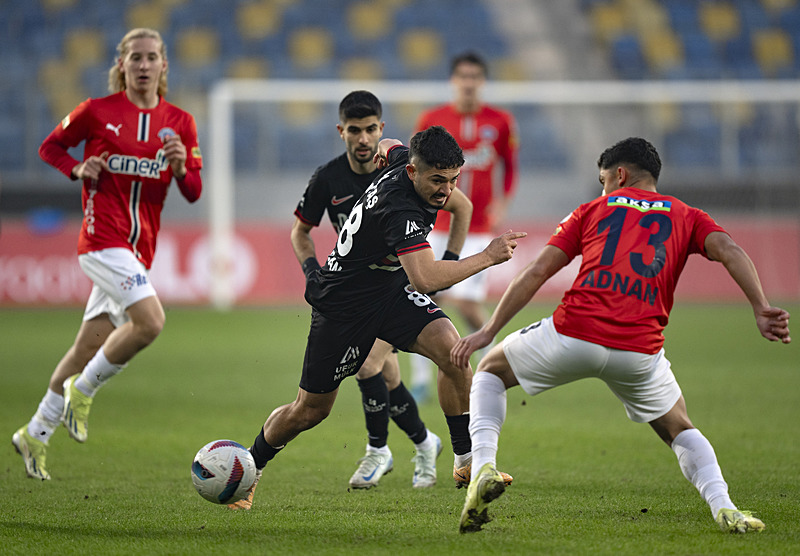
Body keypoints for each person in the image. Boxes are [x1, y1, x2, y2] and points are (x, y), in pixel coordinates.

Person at [452, 137, 791, 534]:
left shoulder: (593, 209)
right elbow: (730, 250)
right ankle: (725, 508)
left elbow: (537, 272)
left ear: (619, 174)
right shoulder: (687, 216)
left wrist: (489, 330)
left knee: (491, 370)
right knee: (679, 426)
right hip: (639, 351)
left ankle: (484, 467)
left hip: (575, 333)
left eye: (603, 180)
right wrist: (759, 306)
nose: (602, 189)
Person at [231, 126, 525, 510]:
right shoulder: (399, 208)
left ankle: (466, 461)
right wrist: (486, 256)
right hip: (344, 307)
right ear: (413, 173)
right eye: (437, 180)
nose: (446, 191)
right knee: (311, 409)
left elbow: (391, 145)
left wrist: (387, 150)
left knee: (452, 350)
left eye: (453, 180)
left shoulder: (404, 159)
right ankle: (251, 465)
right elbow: (424, 278)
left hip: (386, 292)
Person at [12, 28, 203, 481]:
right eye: (134, 57)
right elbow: (50, 146)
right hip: (101, 239)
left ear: (163, 66)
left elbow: (193, 192)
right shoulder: (96, 113)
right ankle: (84, 390)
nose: (142, 65)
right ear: (121, 65)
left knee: (86, 347)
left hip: (139, 251)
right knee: (151, 321)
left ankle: (35, 433)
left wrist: (178, 166)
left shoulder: (180, 123)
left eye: (151, 57)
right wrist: (77, 167)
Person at [288, 91, 465, 491]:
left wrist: (448, 265)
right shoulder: (328, 179)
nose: (364, 139)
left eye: (371, 130)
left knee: (368, 365)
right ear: (342, 132)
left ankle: (378, 449)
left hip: (394, 288)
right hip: (352, 289)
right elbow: (300, 232)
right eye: (355, 130)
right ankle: (425, 443)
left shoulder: (413, 172)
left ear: (381, 129)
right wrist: (311, 269)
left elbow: (463, 208)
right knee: (384, 376)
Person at [409, 51, 519, 402]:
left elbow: (511, 167)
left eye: (474, 76)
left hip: (477, 225)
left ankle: (501, 365)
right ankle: (422, 377)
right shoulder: (433, 118)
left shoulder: (500, 121)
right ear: (453, 81)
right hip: (435, 223)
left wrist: (503, 200)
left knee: (469, 305)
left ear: (481, 81)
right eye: (463, 76)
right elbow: (414, 169)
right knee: (423, 294)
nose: (468, 83)